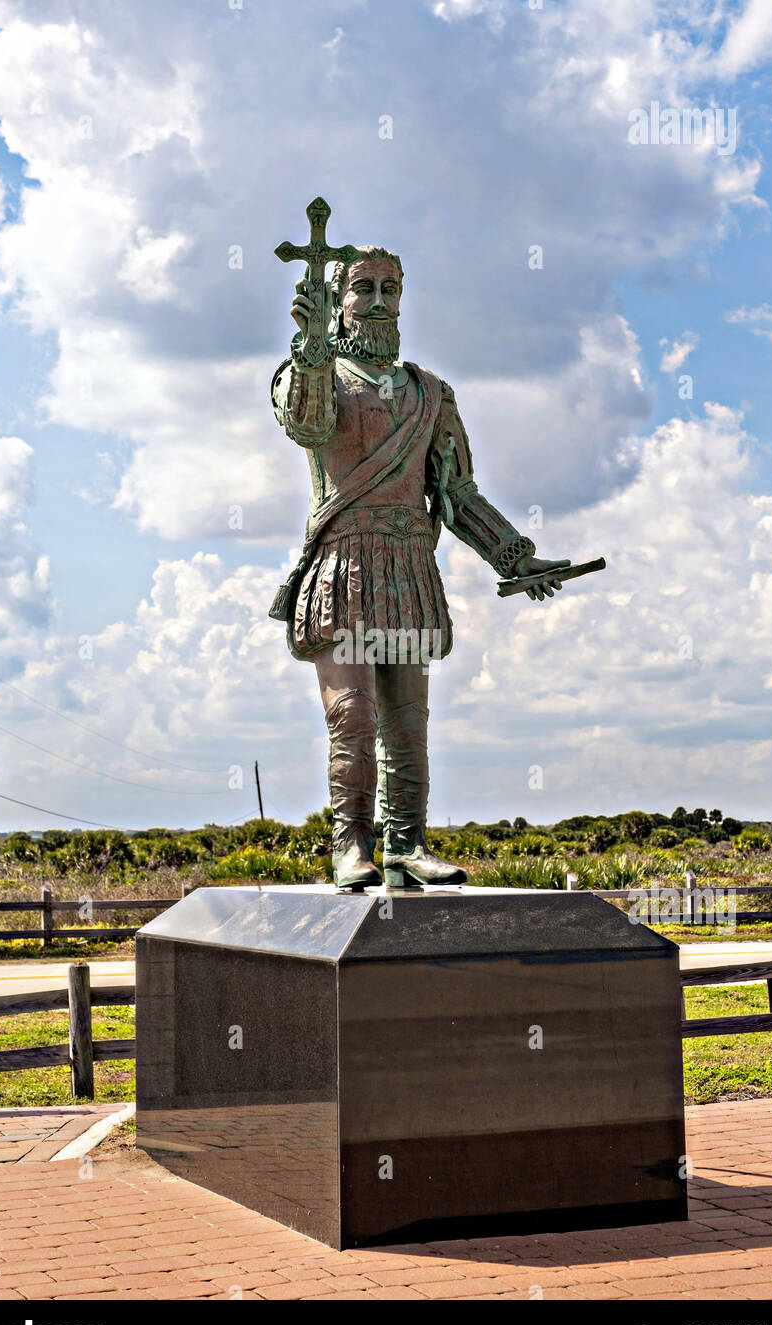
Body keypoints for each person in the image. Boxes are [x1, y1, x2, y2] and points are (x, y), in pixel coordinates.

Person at [270, 247, 568, 888]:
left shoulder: (430, 393)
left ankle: (406, 844)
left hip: (408, 572)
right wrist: (312, 347)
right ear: (340, 299)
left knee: (407, 722)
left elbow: (456, 493)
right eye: (364, 289)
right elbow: (306, 420)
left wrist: (516, 557)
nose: (379, 301)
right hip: (344, 571)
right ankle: (352, 847)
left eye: (391, 288)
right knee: (353, 715)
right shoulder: (309, 373)